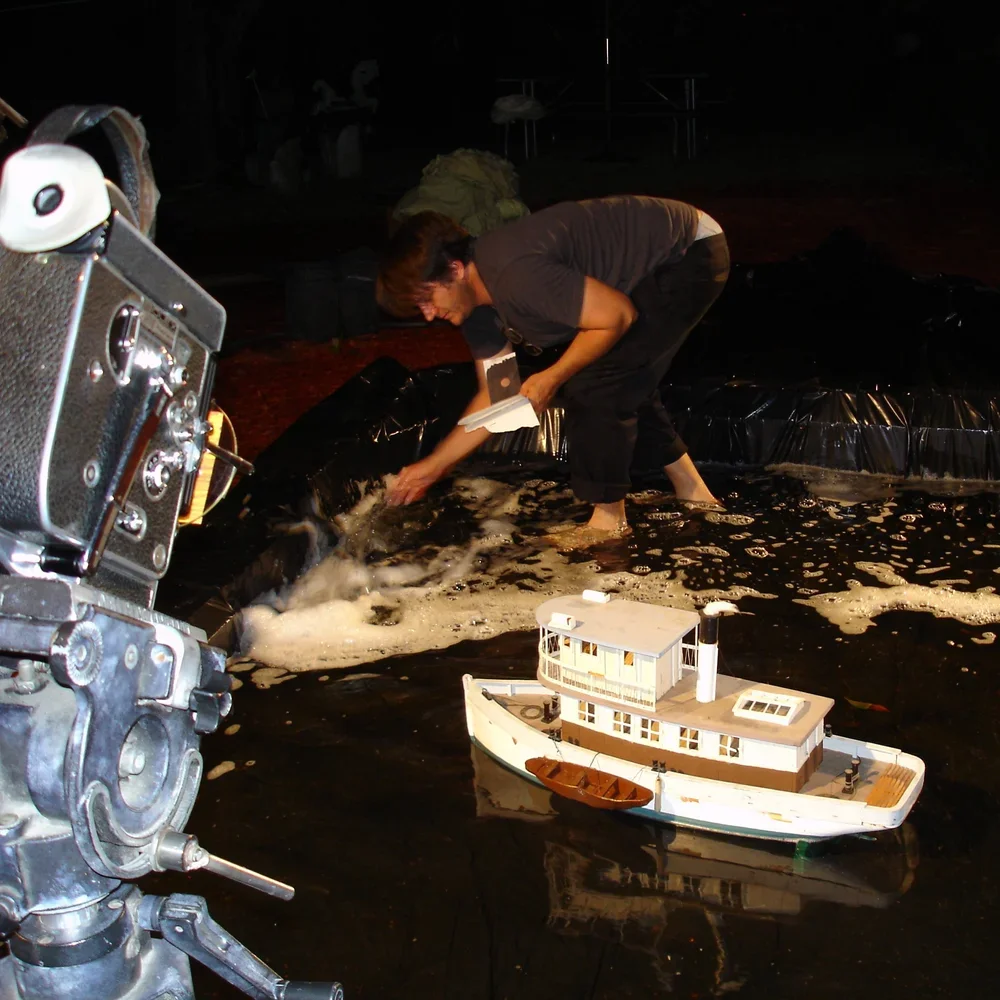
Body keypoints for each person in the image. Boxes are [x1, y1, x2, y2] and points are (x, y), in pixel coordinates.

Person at [376, 195, 729, 545]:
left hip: (686, 253)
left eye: (427, 298)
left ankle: (608, 522)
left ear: (454, 269)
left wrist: (552, 376)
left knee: (597, 383)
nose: (427, 314)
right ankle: (694, 490)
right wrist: (435, 466)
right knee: (620, 374)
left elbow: (617, 315)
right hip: (663, 257)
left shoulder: (515, 275)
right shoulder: (476, 310)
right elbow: (498, 395)